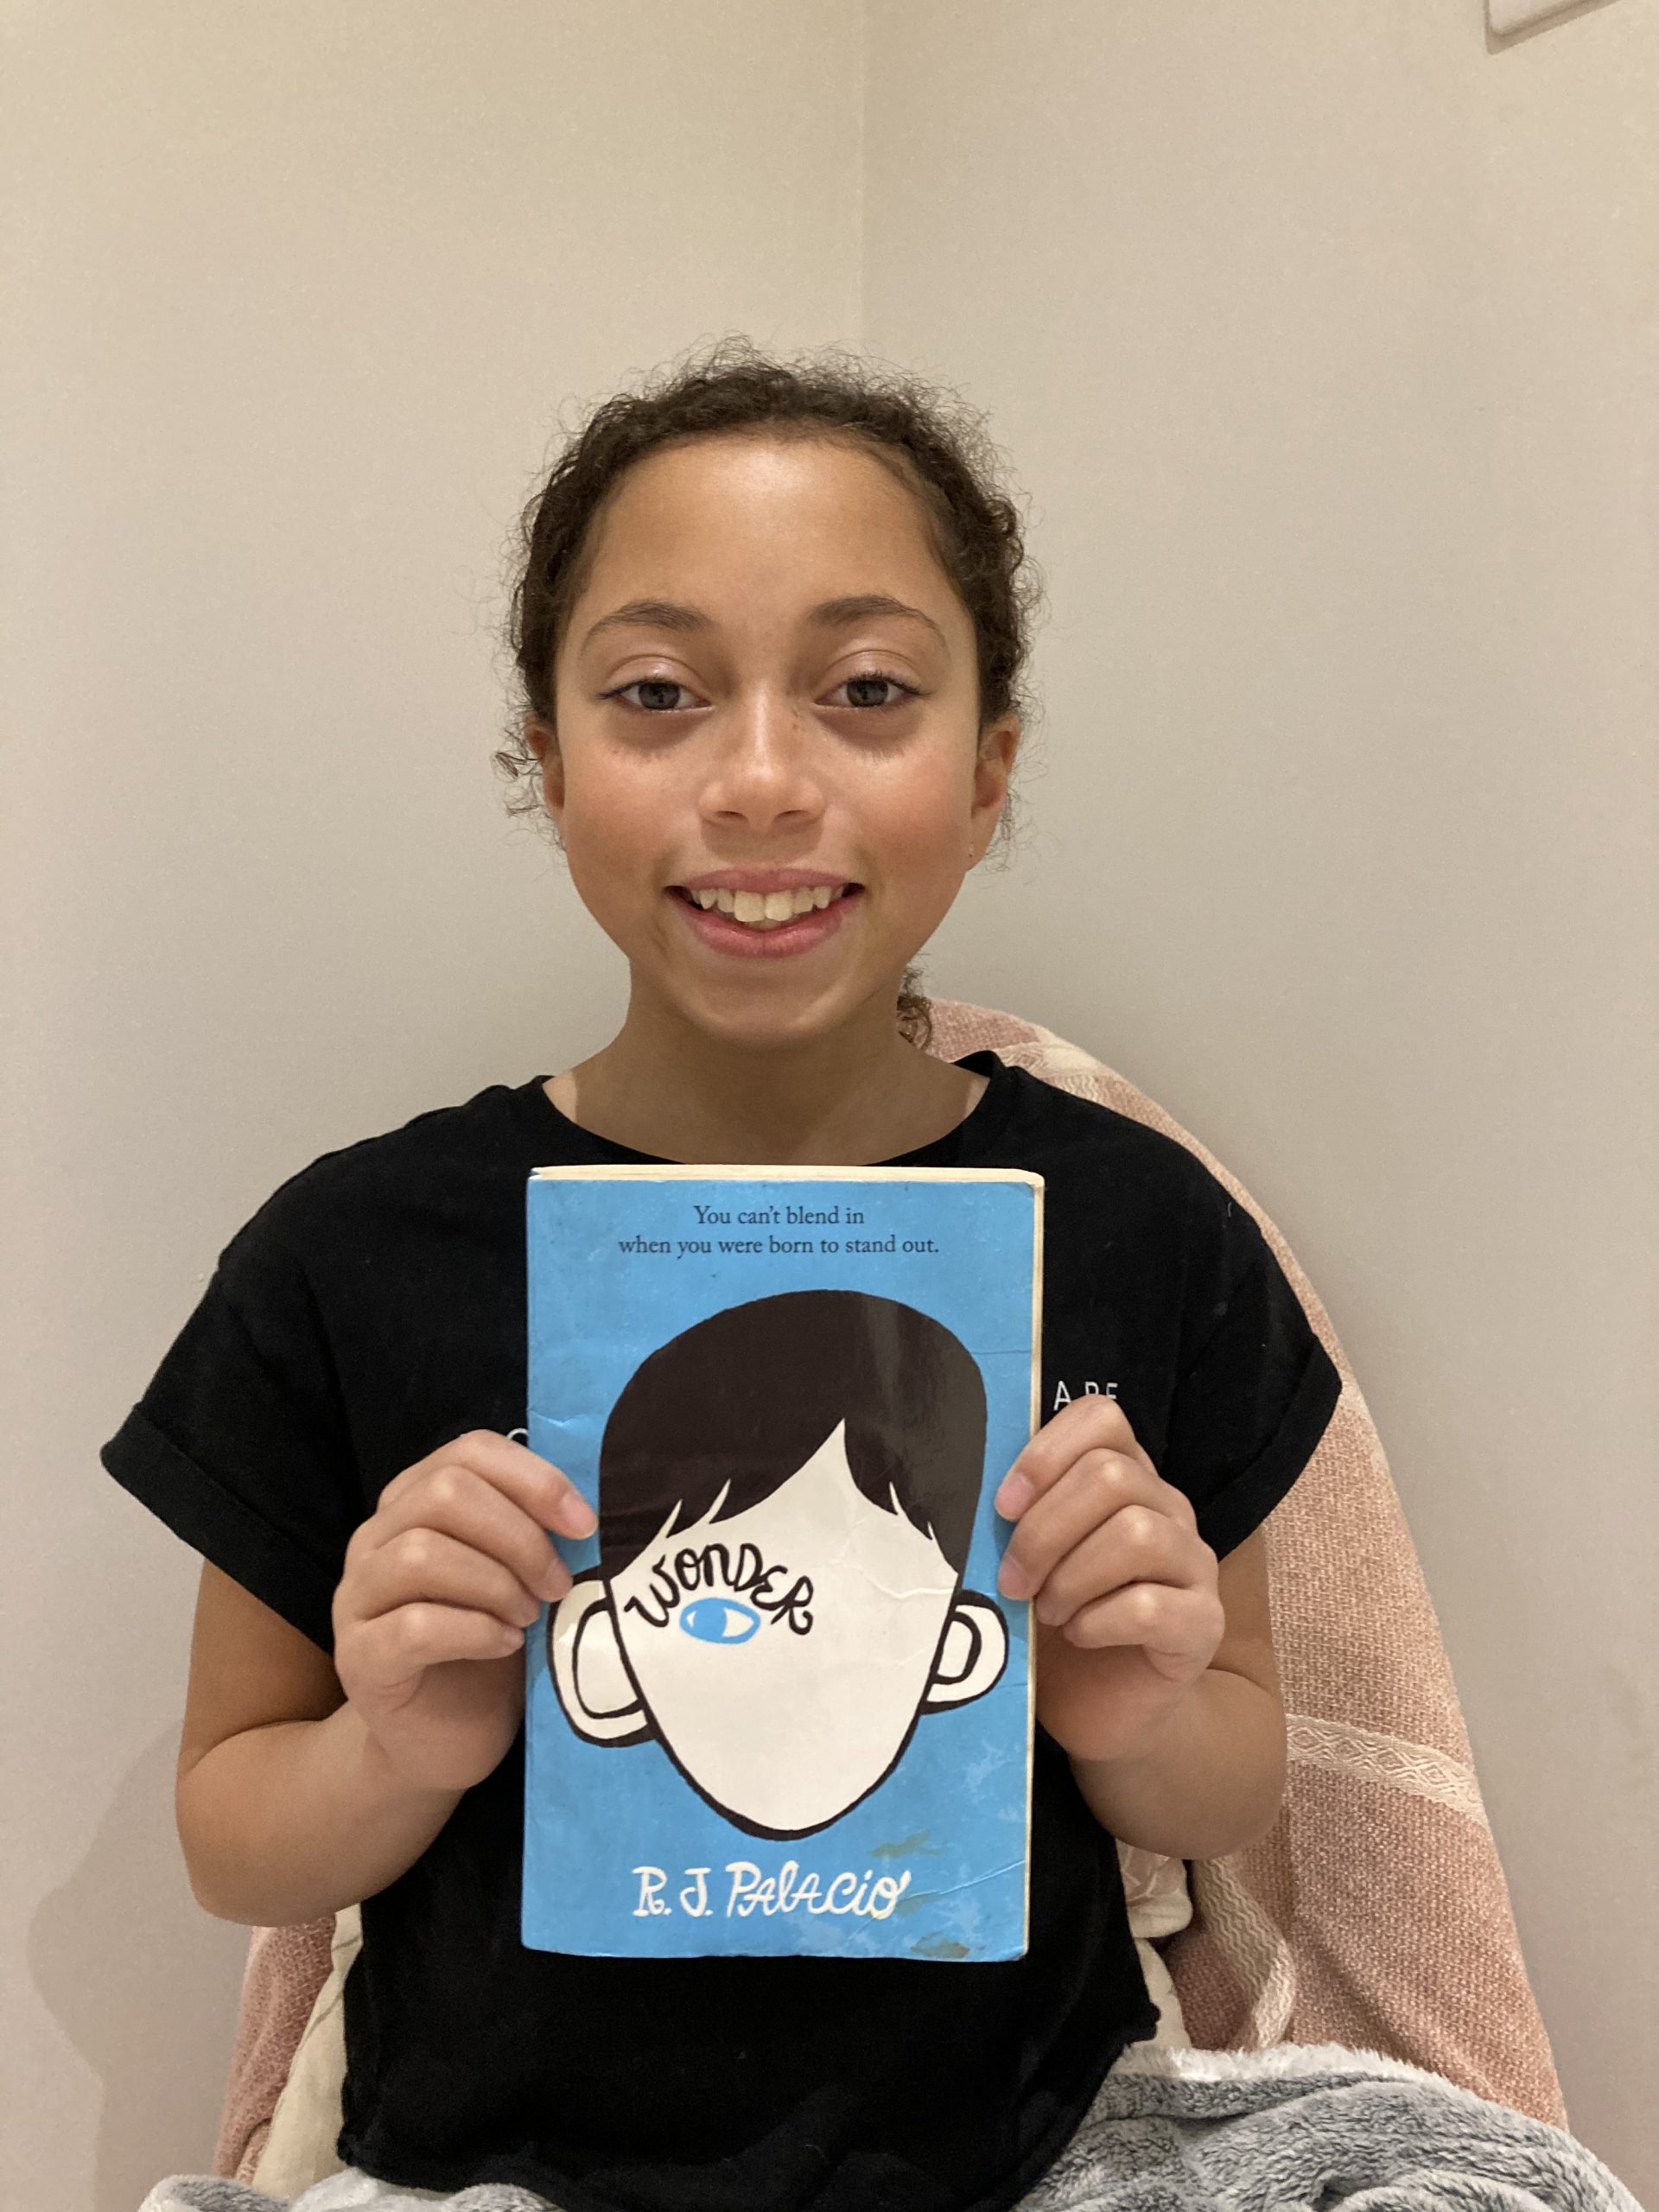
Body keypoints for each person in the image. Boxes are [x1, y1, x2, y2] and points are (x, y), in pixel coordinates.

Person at [102, 336, 1343, 2212]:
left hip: (1029, 2153)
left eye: (868, 690)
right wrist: (394, 1749)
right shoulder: (353, 1253)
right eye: (659, 693)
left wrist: (1139, 1712)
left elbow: (1234, 1782)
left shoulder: (1138, 1227)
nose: (761, 782)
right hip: (497, 2166)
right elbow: (232, 1837)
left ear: (989, 769)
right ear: (548, 761)